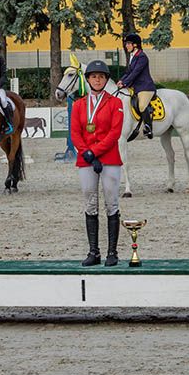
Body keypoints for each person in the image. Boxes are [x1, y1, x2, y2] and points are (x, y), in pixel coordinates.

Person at [71, 60, 124, 267]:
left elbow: (115, 133)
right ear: (88, 79)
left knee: (111, 203)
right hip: (86, 160)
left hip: (109, 158)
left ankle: (112, 252)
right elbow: (75, 133)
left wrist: (96, 151)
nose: (97, 79)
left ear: (106, 79)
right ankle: (94, 251)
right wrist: (87, 154)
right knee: (90, 202)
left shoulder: (115, 103)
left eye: (101, 77)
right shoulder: (78, 105)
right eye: (94, 76)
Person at [116, 33, 157, 139]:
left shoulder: (142, 56)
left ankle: (148, 127)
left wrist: (125, 83)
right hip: (135, 87)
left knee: (142, 105)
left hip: (145, 87)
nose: (126, 46)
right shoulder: (133, 56)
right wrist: (121, 80)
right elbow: (129, 72)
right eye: (126, 44)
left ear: (135, 45)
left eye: (128, 43)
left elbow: (136, 73)